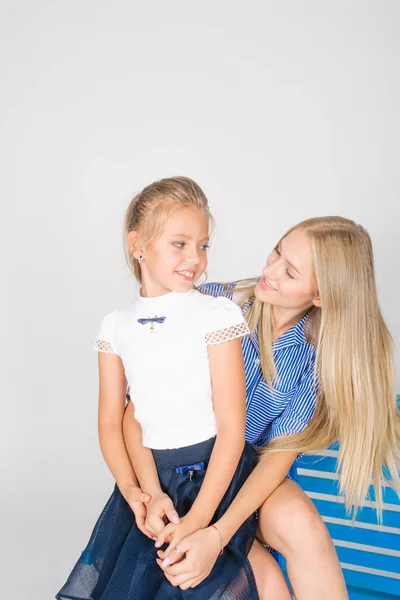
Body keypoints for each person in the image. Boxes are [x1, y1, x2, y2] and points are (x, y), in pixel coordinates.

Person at [123, 216, 400, 600]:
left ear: (321, 295)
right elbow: (139, 409)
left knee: (303, 525)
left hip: (246, 477)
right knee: (268, 585)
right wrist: (153, 494)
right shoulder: (214, 303)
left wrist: (218, 535)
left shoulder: (316, 359)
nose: (268, 271)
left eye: (289, 272)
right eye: (277, 252)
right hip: (182, 474)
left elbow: (277, 459)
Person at [56, 176, 262, 600]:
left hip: (212, 482)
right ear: (139, 245)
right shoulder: (115, 326)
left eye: (203, 245)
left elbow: (232, 428)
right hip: (154, 485)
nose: (196, 259)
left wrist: (200, 518)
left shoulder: (216, 315)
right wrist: (139, 494)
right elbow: (112, 423)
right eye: (180, 244)